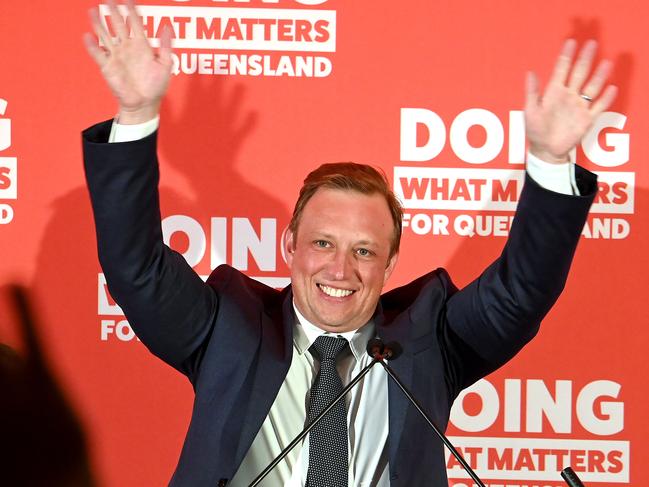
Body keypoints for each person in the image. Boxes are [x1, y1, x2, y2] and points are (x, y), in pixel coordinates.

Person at [82, 1, 616, 485]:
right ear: (290, 244)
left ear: (391, 263)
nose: (341, 269)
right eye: (322, 243)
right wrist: (136, 117)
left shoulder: (430, 339)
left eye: (364, 251)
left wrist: (548, 164)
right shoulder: (227, 327)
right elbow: (137, 269)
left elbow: (520, 292)